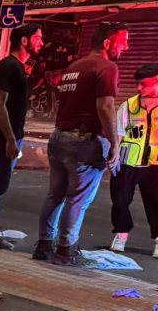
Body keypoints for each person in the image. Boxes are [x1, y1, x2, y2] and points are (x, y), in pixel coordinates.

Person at [34, 22, 129, 267]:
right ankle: (66, 250)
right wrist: (114, 143)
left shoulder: (74, 67)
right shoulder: (107, 67)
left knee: (55, 195)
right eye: (123, 41)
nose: (126, 47)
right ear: (107, 43)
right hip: (84, 142)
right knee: (77, 199)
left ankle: (44, 245)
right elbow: (105, 106)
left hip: (59, 138)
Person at [0, 25, 44, 250]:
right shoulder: (9, 67)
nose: (41, 42)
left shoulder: (17, 67)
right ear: (24, 41)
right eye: (38, 38)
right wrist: (10, 139)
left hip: (8, 137)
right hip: (2, 138)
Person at [109, 63, 158, 257]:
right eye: (138, 84)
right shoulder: (129, 105)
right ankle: (121, 233)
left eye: (144, 84)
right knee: (119, 199)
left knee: (156, 203)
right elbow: (118, 133)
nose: (139, 88)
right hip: (127, 161)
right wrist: (114, 155)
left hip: (155, 165)